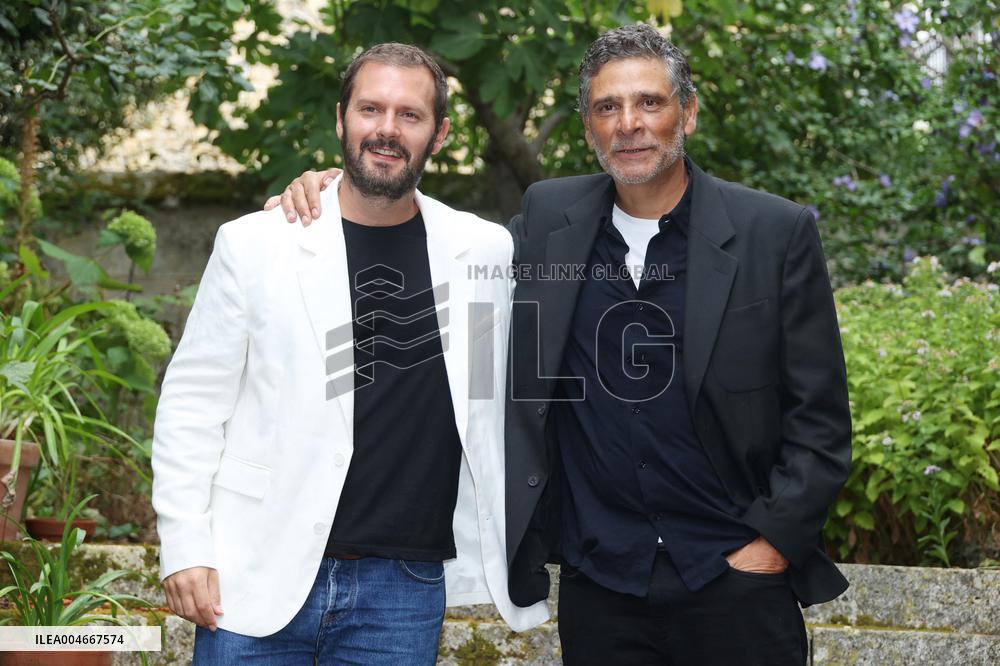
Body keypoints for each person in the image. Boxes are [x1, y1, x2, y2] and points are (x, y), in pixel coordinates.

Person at [269, 24, 851, 666]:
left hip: (736, 586)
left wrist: (767, 547)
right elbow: (442, 249)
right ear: (587, 127)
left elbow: (820, 426)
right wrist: (335, 189)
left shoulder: (775, 232)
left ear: (687, 112)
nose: (629, 123)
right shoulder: (548, 221)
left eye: (649, 103)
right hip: (600, 591)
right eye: (607, 107)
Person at [152, 42, 547, 666]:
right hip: (254, 569)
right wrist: (185, 546)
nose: (386, 129)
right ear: (341, 119)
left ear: (439, 134)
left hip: (402, 590)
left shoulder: (484, 252)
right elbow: (192, 405)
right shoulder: (256, 244)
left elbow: (501, 398)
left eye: (409, 115)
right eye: (370, 108)